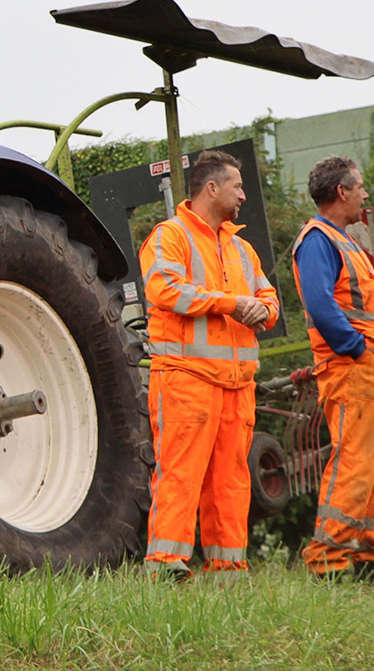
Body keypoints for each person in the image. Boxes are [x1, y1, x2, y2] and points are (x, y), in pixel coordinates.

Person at [138, 150, 279, 582]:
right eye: (238, 187)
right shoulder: (170, 235)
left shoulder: (242, 249)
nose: (243, 196)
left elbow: (269, 300)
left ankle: (228, 569)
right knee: (180, 473)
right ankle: (166, 565)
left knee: (232, 481)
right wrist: (232, 304)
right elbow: (164, 289)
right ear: (212, 188)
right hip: (186, 378)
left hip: (237, 386)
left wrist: (262, 310)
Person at [291, 156, 374, 584]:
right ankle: (327, 560)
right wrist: (355, 348)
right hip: (353, 366)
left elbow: (361, 305)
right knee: (356, 465)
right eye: (359, 186)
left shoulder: (345, 241)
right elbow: (320, 304)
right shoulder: (317, 240)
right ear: (341, 191)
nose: (365, 193)